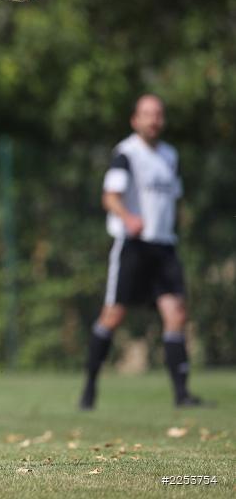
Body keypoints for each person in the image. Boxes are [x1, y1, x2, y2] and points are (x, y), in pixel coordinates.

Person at [79, 94, 204, 410]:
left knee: (176, 314)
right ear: (135, 120)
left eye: (158, 114)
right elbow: (110, 197)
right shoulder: (126, 153)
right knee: (114, 315)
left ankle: (182, 395)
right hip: (133, 246)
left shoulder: (169, 155)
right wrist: (128, 217)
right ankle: (90, 387)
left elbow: (174, 198)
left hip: (164, 246)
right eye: (147, 114)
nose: (154, 120)